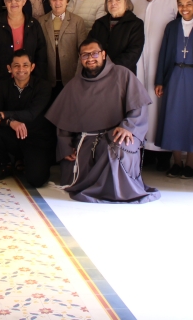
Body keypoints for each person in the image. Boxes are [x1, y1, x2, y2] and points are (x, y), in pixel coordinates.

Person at [47, 39, 160, 204]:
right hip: (87, 139)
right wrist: (65, 147)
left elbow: (138, 108)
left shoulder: (123, 74)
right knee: (75, 162)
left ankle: (120, 192)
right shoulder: (74, 85)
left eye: (94, 53)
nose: (90, 58)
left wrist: (127, 127)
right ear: (80, 58)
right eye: (85, 55)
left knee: (119, 147)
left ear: (104, 54)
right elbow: (63, 121)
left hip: (117, 133)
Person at [129, 0, 178, 168]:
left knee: (160, 106)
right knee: (140, 105)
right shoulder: (133, 3)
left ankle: (163, 153)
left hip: (163, 62)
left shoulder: (172, 3)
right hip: (139, 64)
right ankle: (143, 151)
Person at [0, 51, 55, 186]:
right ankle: (6, 164)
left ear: (32, 67)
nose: (21, 69)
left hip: (36, 139)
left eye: (25, 65)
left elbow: (31, 114)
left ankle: (24, 161)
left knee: (36, 180)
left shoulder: (43, 86)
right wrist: (10, 122)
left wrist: (3, 115)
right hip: (14, 136)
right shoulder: (3, 86)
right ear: (9, 68)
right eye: (16, 66)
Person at [154, 0, 193, 179]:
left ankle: (190, 163)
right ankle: (176, 162)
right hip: (174, 75)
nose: (184, 8)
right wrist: (160, 80)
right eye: (181, 4)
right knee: (174, 118)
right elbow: (163, 54)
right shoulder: (172, 26)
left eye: (189, 4)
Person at [38, 0, 88, 97]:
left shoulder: (77, 21)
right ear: (49, 1)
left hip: (71, 76)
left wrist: (78, 75)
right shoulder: (41, 22)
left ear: (67, 1)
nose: (57, 3)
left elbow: (83, 51)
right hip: (48, 77)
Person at [90, 0, 145, 76]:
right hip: (98, 72)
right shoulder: (99, 23)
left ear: (126, 3)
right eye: (110, 0)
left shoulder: (136, 24)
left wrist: (110, 68)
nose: (113, 3)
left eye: (118, 0)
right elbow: (90, 45)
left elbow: (134, 52)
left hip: (123, 73)